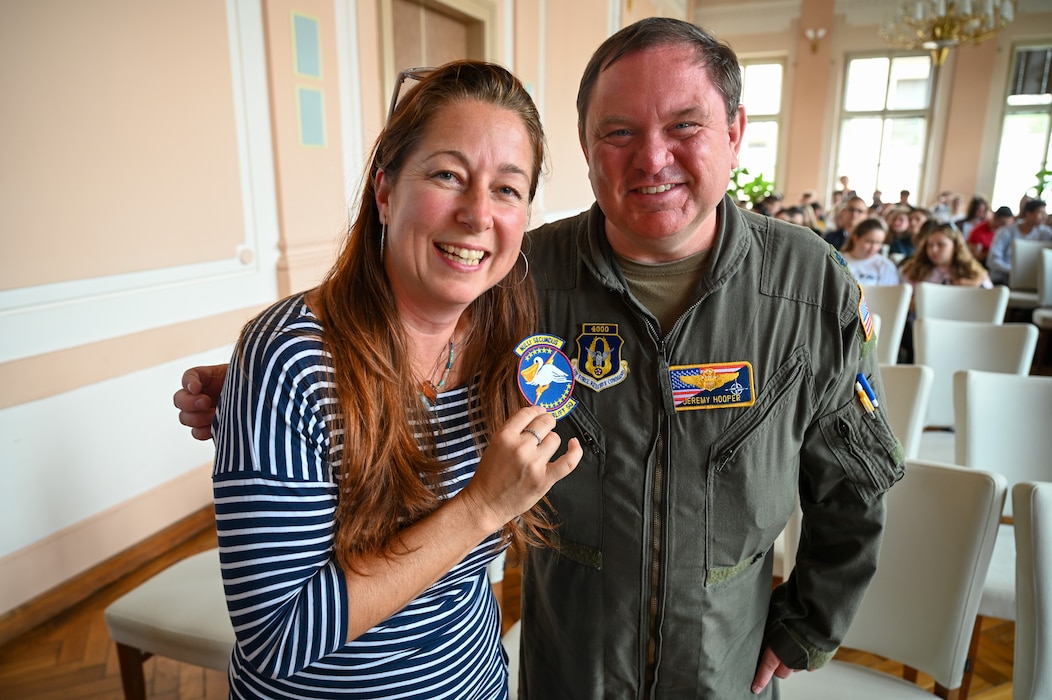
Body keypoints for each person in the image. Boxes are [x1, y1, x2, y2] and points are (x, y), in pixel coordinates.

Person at [177, 18, 903, 698]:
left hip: (722, 661)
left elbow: (854, 481)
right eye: (619, 132)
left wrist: (810, 622)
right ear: (589, 152)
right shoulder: (529, 276)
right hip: (568, 664)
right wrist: (269, 368)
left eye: (685, 125)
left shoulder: (808, 286)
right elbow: (407, 291)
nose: (653, 157)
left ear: (735, 132)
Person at [190, 61, 582, 699]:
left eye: (508, 189)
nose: (478, 213)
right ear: (385, 192)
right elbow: (276, 638)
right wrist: (481, 507)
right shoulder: (288, 358)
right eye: (448, 175)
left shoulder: (513, 341)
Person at [900, 222, 992, 289]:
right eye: (930, 245)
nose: (933, 250)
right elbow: (903, 300)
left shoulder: (972, 271)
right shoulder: (914, 270)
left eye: (941, 245)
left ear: (955, 246)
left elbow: (990, 297)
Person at [987, 198, 1052, 285]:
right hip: (1004, 277)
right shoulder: (1005, 232)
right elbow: (992, 260)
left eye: (1045, 213)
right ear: (1028, 213)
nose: (1044, 217)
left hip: (1033, 279)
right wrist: (1014, 271)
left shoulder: (1046, 234)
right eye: (1040, 213)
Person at [841, 217, 900, 285]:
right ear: (855, 238)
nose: (873, 247)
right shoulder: (839, 259)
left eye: (878, 243)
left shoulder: (886, 266)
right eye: (869, 242)